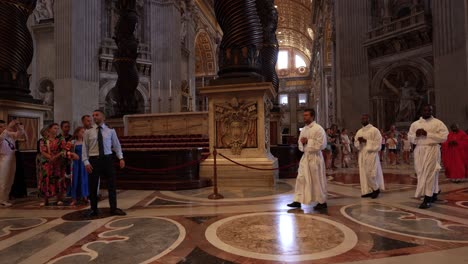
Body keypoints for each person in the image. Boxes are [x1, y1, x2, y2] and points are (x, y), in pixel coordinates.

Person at [82, 110, 126, 217]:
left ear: (103, 117)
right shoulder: (88, 131)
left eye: (96, 115)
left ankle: (113, 208)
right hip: (94, 160)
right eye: (93, 115)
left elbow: (116, 145)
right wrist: (86, 162)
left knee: (111, 185)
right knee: (93, 185)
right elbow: (85, 148)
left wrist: (121, 158)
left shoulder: (110, 130)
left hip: (107, 159)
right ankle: (93, 209)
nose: (94, 117)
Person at [408, 104, 449, 209]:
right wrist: (416, 135)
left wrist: (428, 134)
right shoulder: (415, 124)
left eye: (429, 110)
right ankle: (434, 192)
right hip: (419, 150)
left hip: (432, 149)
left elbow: (444, 137)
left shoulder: (438, 123)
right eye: (425, 110)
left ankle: (427, 198)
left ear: (432, 111)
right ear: (421, 111)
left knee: (429, 173)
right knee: (421, 172)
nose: (427, 112)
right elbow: (410, 137)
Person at [287, 108, 328, 210]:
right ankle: (297, 200)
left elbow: (322, 145)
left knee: (316, 180)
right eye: (303, 115)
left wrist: (307, 142)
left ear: (312, 116)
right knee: (301, 178)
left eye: (306, 115)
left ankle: (322, 202)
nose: (304, 117)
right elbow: (300, 143)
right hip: (305, 157)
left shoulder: (319, 129)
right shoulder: (304, 129)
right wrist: (303, 142)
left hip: (315, 158)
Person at [354, 114, 385, 199]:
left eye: (365, 118)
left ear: (369, 119)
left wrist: (366, 141)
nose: (363, 120)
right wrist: (359, 143)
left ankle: (376, 188)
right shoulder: (359, 131)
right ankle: (368, 190)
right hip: (362, 154)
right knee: (363, 173)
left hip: (371, 154)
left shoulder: (375, 130)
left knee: (370, 172)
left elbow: (379, 144)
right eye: (362, 118)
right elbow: (355, 143)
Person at [38, 123, 67, 206]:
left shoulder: (60, 139)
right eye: (54, 128)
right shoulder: (43, 140)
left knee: (58, 179)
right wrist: (50, 157)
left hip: (57, 162)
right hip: (46, 163)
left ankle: (59, 199)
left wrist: (55, 157)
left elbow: (63, 149)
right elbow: (43, 151)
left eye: (57, 128)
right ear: (49, 129)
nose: (56, 130)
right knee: (46, 179)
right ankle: (45, 200)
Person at [0, 120, 25, 207]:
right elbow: (2, 136)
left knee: (10, 179)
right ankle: (1, 199)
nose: (3, 128)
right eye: (1, 127)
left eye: (3, 126)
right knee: (4, 179)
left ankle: (5, 198)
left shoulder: (9, 135)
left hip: (12, 157)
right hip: (3, 159)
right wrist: (8, 127)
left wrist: (18, 126)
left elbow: (20, 133)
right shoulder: (3, 135)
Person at [69, 127, 89, 206]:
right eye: (82, 132)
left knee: (84, 179)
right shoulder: (73, 142)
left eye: (84, 132)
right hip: (76, 163)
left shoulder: (86, 142)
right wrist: (72, 154)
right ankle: (74, 198)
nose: (83, 133)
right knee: (75, 180)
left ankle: (85, 197)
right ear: (77, 133)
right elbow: (68, 152)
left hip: (84, 163)